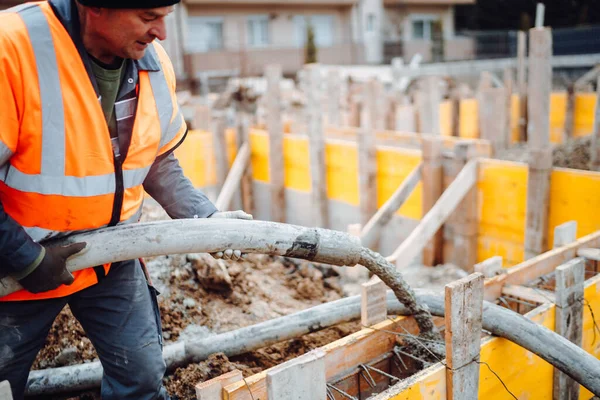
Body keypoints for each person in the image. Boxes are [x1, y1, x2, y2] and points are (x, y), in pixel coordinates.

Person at [0, 0, 251, 398]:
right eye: (148, 17)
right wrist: (27, 260)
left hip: (110, 257)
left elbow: (157, 164)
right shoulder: (12, 47)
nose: (161, 33)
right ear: (94, 7)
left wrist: (209, 220)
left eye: (164, 18)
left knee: (141, 379)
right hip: (14, 267)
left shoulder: (150, 59)